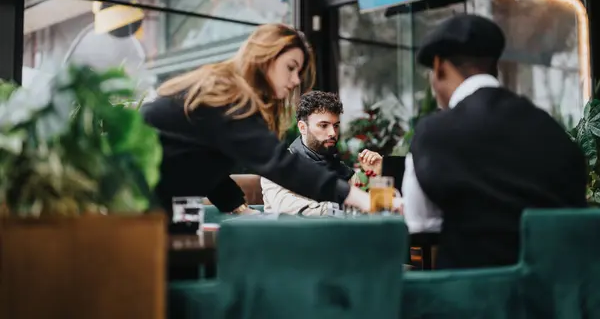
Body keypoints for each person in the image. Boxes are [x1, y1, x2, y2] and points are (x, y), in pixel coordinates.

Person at [142, 23, 391, 232]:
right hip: (134, 207)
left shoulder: (224, 90)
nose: (295, 81)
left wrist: (238, 207)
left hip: (148, 207)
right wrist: (359, 198)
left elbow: (198, 159)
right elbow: (280, 164)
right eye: (290, 68)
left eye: (299, 72)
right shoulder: (229, 96)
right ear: (264, 58)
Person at [402, 14, 587, 269]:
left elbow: (419, 223)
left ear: (439, 66)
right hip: (554, 300)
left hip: (472, 300)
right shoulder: (552, 132)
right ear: (494, 66)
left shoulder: (432, 133)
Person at [261, 90, 383, 216]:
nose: (333, 133)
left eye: (336, 126)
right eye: (324, 125)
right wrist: (346, 205)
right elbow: (286, 209)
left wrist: (375, 175)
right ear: (303, 127)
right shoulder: (278, 165)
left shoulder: (338, 167)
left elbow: (369, 206)